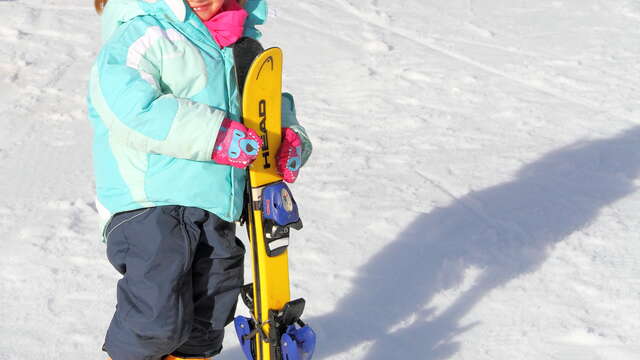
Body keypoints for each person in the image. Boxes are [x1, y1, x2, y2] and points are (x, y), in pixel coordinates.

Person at [87, 0, 313, 359]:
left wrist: (289, 139)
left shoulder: (241, 44)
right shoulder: (141, 34)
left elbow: (261, 105)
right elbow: (130, 109)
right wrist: (215, 134)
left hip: (216, 204)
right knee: (156, 315)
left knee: (210, 313)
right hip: (153, 204)